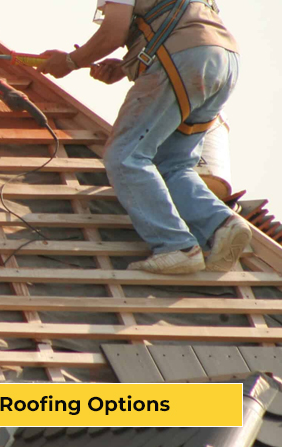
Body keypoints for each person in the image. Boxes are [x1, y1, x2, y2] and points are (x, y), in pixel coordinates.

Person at [39, 0, 250, 274]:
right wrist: (129, 65)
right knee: (171, 163)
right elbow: (169, 21)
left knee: (124, 155)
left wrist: (70, 61)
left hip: (184, 58)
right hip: (222, 60)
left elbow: (112, 32)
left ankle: (176, 246)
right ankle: (220, 223)